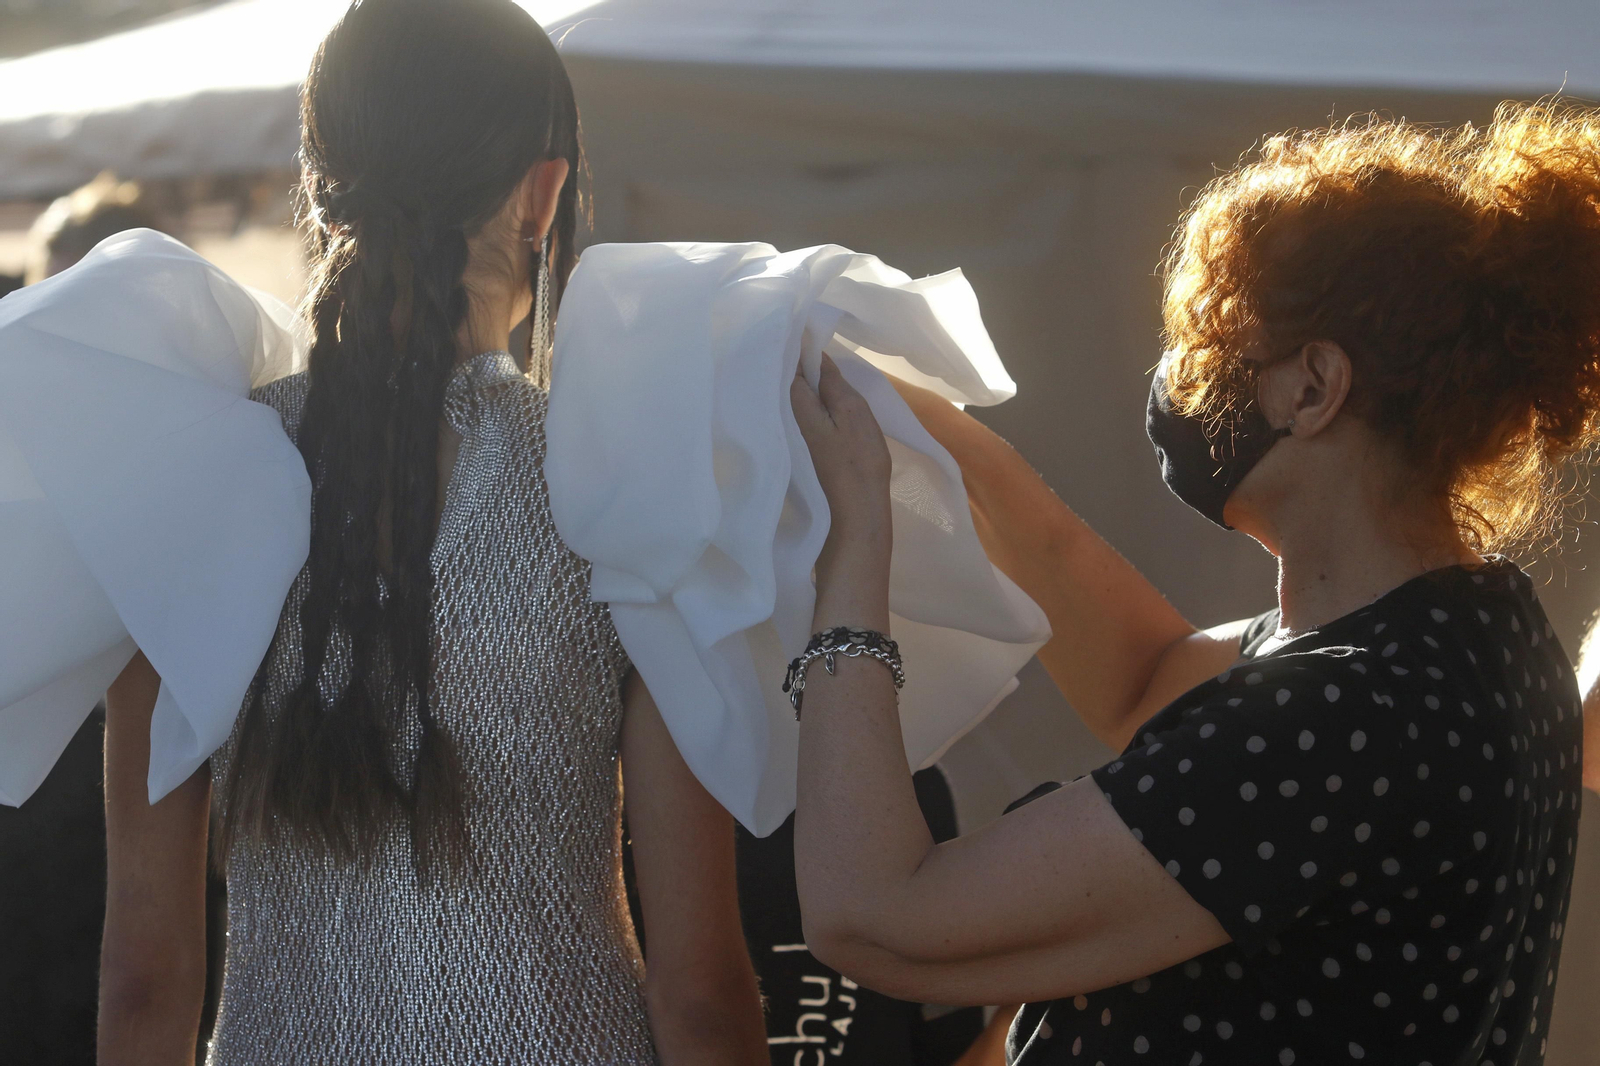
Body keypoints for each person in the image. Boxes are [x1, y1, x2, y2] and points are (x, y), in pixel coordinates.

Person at [787, 101, 1595, 1065]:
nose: (1179, 377)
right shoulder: (1475, 632)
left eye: (1213, 347)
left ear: (1312, 388)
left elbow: (873, 914)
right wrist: (924, 435)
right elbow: (1149, 674)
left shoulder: (1337, 716)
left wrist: (855, 551)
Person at [96, 2, 766, 1063]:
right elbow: (701, 996)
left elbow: (145, 979)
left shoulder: (193, 484)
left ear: (321, 181)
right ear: (541, 193)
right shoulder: (620, 485)